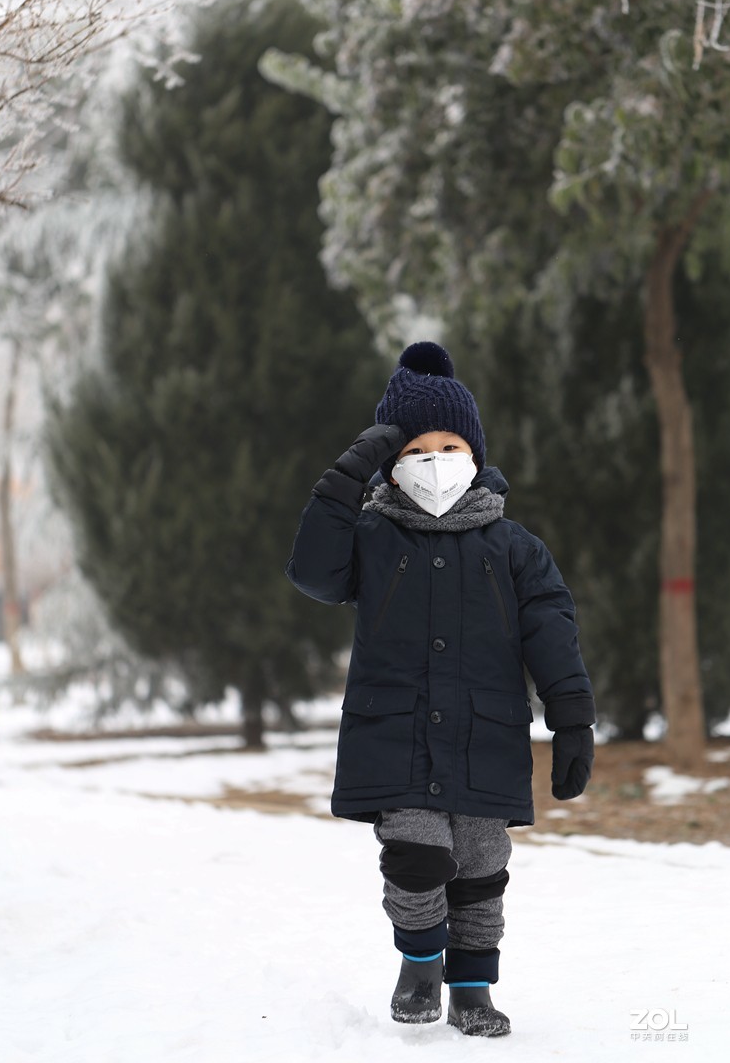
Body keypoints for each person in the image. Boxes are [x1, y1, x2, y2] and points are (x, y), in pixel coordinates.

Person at [286, 341, 595, 1038]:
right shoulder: (370, 535)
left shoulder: (514, 547)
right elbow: (312, 572)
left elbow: (552, 627)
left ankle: (473, 988)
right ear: (390, 461)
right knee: (417, 855)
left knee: (482, 866)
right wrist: (346, 475)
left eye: (450, 443)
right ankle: (420, 963)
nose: (434, 459)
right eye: (415, 446)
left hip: (486, 736)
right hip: (397, 738)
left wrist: (572, 716)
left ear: (476, 453)